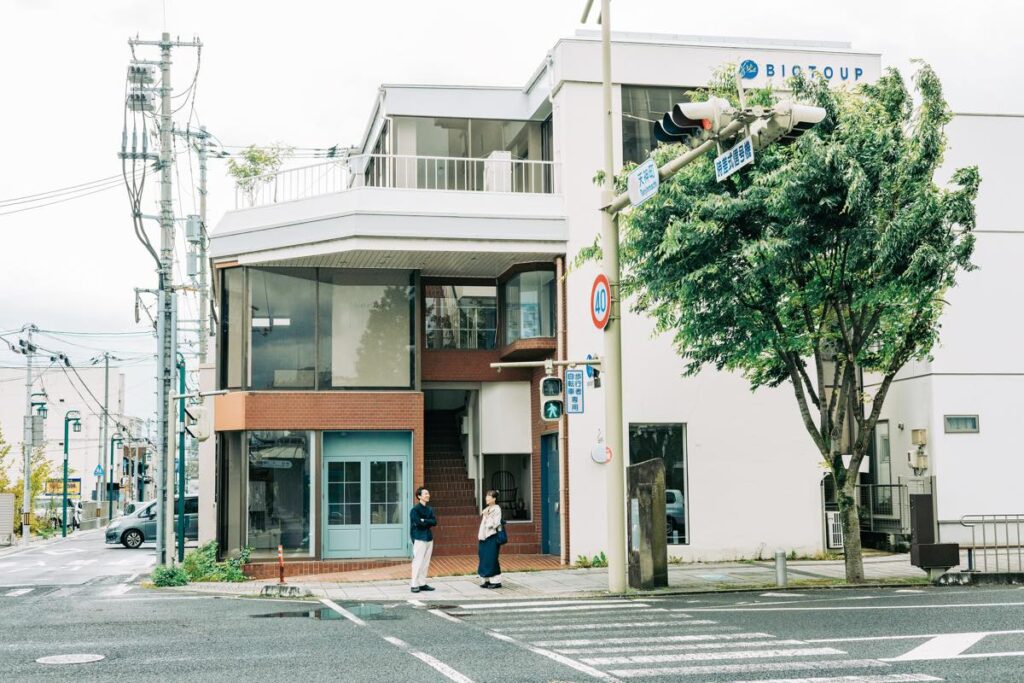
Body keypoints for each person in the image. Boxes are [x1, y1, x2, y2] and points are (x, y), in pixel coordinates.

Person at [409, 486, 437, 593]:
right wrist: (427, 521)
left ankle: (422, 583)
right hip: (419, 538)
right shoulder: (414, 510)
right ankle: (414, 584)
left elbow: (434, 522)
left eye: (428, 493)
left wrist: (424, 520)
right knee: (417, 561)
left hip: (429, 538)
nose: (428, 495)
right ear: (419, 496)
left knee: (425, 562)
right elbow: (418, 523)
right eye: (425, 493)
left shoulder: (429, 509)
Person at [477, 489, 503, 589]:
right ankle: (486, 580)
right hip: (483, 537)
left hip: (492, 537)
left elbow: (495, 524)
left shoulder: (497, 509)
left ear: (494, 499)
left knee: (492, 558)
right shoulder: (486, 509)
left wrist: (487, 517)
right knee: (483, 558)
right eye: (486, 496)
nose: (487, 498)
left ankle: (496, 581)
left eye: (489, 496)